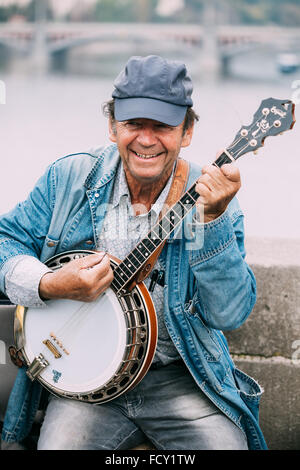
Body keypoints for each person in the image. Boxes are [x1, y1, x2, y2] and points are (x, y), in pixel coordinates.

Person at [0, 55, 267, 450]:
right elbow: (6, 242)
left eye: (162, 126)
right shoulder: (70, 178)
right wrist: (51, 283)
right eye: (133, 124)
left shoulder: (212, 200)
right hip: (86, 385)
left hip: (183, 381)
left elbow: (228, 314)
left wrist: (212, 223)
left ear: (187, 132)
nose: (146, 139)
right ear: (112, 127)